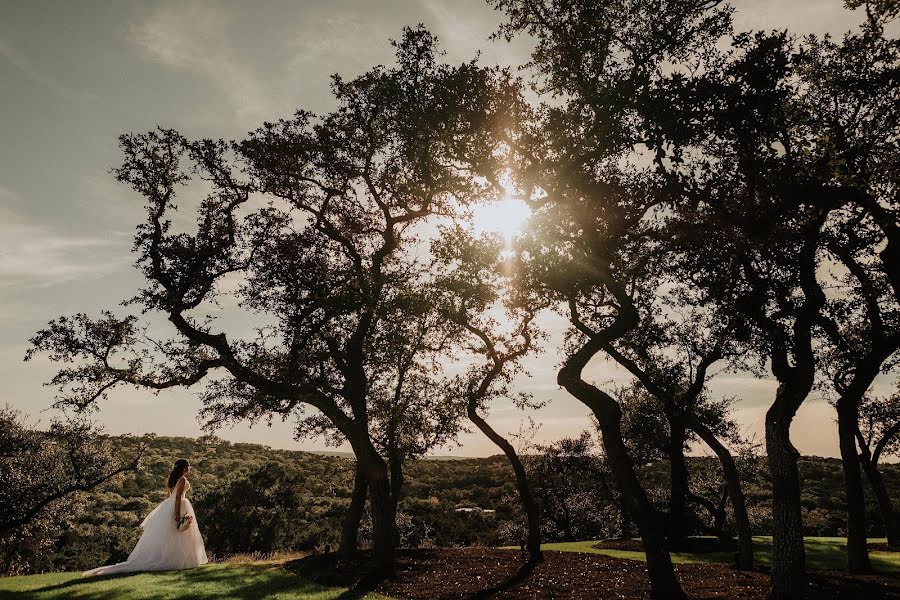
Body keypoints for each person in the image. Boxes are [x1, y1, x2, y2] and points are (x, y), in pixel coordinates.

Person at [82, 459, 208, 576]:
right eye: (189, 467)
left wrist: (166, 511)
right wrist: (176, 514)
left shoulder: (172, 479)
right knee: (178, 533)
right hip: (178, 506)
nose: (190, 469)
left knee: (173, 534)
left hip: (168, 505)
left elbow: (168, 496)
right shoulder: (182, 480)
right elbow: (177, 497)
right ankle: (176, 560)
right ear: (185, 467)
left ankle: (176, 559)